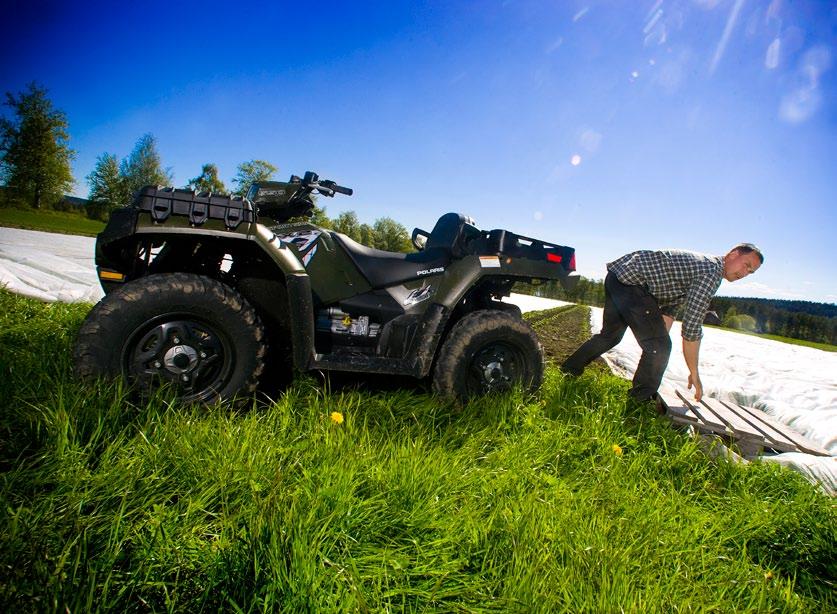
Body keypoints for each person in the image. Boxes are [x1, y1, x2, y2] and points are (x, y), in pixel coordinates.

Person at [560, 244, 763, 403]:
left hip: (618, 278)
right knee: (660, 347)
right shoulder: (711, 272)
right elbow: (691, 328)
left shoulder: (706, 267)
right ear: (734, 253)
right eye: (746, 265)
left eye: (751, 272)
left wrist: (655, 342)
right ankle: (638, 403)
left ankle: (569, 369)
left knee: (611, 336)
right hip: (632, 283)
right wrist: (694, 372)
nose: (745, 273)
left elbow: (669, 309)